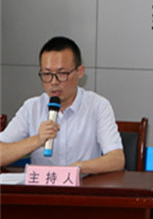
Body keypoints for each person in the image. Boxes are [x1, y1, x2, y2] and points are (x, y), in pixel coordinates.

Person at [0, 36, 124, 174]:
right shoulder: (32, 108)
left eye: (62, 73)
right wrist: (37, 140)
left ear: (80, 72)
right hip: (42, 186)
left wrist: (76, 169)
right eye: (47, 74)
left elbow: (117, 159)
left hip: (83, 185)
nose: (54, 82)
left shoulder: (98, 106)